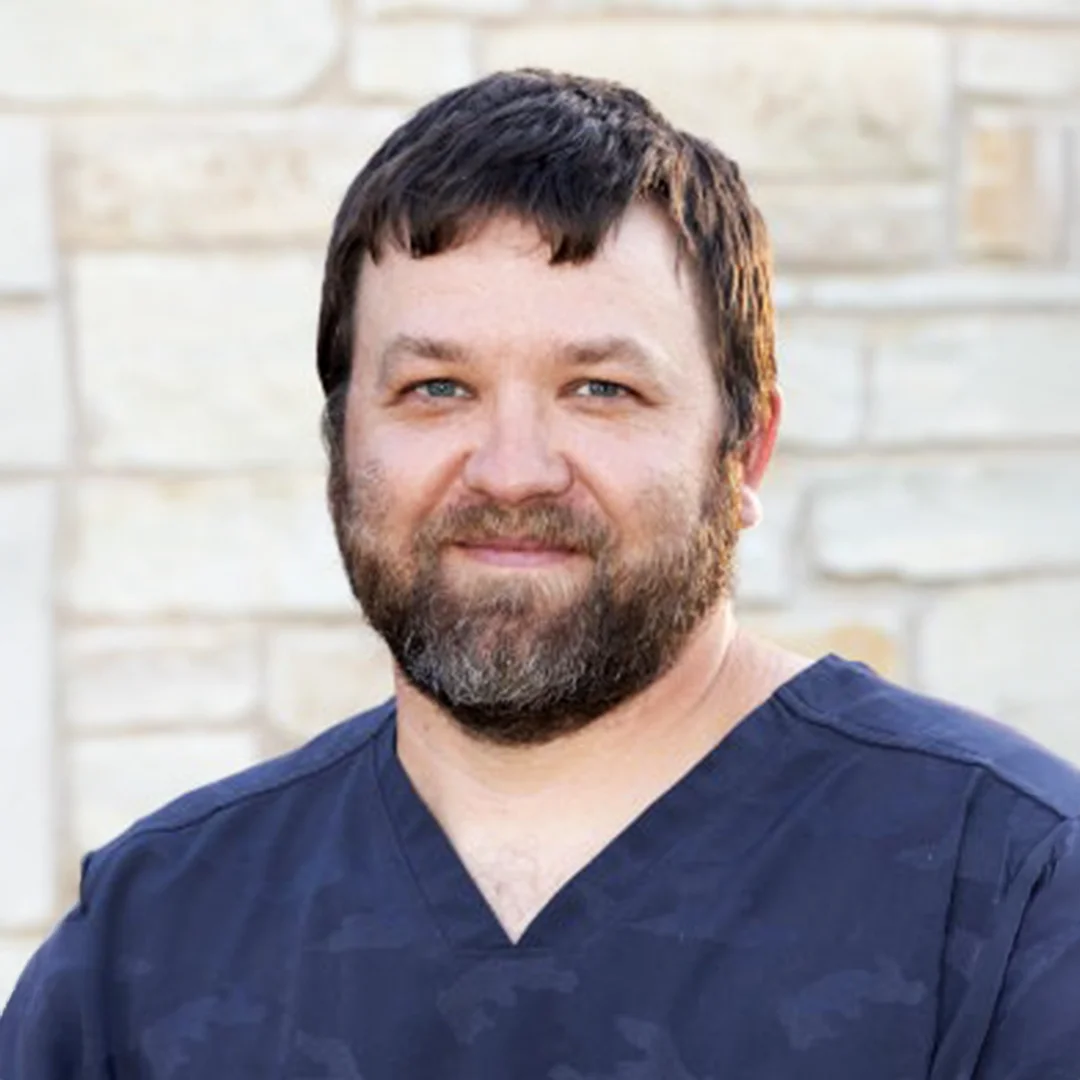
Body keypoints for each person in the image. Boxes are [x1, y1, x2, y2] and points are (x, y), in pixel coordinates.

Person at [2, 69, 1078, 1079]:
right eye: (435, 388)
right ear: (341, 450)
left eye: (601, 389)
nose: (513, 471)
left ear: (744, 452)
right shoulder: (157, 936)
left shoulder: (1008, 893)